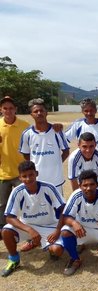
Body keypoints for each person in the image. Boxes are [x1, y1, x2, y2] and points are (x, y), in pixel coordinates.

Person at [1, 161, 65, 277]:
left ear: (36, 173)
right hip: (28, 227)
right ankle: (14, 260)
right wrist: (30, 230)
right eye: (24, 176)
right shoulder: (17, 191)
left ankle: (46, 245)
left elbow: (63, 211)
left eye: (31, 175)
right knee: (6, 231)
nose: (28, 179)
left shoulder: (48, 188)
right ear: (20, 177)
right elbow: (9, 217)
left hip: (49, 226)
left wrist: (57, 231)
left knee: (57, 251)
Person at [61, 170, 98, 276]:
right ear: (80, 186)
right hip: (82, 230)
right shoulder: (76, 195)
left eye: (92, 184)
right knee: (65, 232)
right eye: (85, 185)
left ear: (97, 184)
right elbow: (65, 217)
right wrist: (74, 223)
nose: (88, 188)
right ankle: (75, 259)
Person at [19, 98, 69, 195]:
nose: (39, 113)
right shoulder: (27, 134)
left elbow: (66, 151)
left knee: (58, 208)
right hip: (36, 180)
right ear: (31, 115)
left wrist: (56, 162)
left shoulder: (57, 131)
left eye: (41, 110)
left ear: (46, 112)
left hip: (55, 180)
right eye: (35, 111)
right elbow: (26, 155)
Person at [0, 96, 30, 236]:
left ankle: (26, 227)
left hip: (22, 172)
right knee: (3, 204)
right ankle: (4, 229)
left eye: (11, 108)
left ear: (15, 109)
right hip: (3, 172)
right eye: (5, 108)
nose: (8, 111)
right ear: (1, 109)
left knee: (25, 202)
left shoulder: (24, 125)